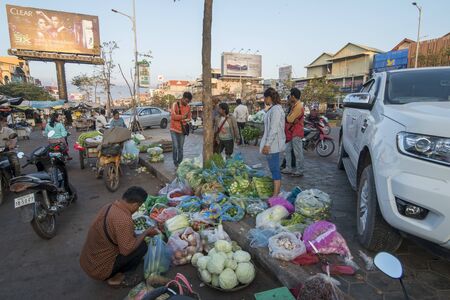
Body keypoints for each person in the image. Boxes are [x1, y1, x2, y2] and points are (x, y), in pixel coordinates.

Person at [80, 186, 159, 287]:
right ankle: (117, 277)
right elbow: (126, 250)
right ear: (135, 204)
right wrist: (146, 233)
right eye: (139, 206)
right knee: (142, 247)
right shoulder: (124, 219)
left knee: (134, 239)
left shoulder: (109, 206)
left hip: (87, 261)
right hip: (99, 269)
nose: (138, 209)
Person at [260, 88, 286, 197]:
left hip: (273, 145)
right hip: (272, 144)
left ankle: (276, 194)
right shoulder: (273, 109)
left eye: (265, 97)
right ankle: (276, 192)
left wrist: (267, 144)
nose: (264, 99)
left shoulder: (276, 110)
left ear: (269, 97)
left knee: (275, 170)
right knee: (273, 169)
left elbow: (274, 129)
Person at [282, 88, 305, 177]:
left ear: (293, 96)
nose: (290, 98)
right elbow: (290, 118)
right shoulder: (295, 106)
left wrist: (289, 118)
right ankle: (288, 168)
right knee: (287, 150)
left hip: (297, 132)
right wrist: (290, 118)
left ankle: (300, 170)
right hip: (291, 132)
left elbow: (290, 119)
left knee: (297, 152)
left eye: (290, 96)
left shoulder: (298, 106)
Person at [170, 91, 192, 167]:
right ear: (182, 98)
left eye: (188, 102)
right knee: (175, 146)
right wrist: (183, 117)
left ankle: (180, 163)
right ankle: (175, 162)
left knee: (181, 148)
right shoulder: (175, 104)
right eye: (186, 101)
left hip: (182, 130)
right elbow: (173, 116)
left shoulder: (188, 107)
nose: (187, 103)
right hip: (174, 129)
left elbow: (189, 118)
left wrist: (184, 119)